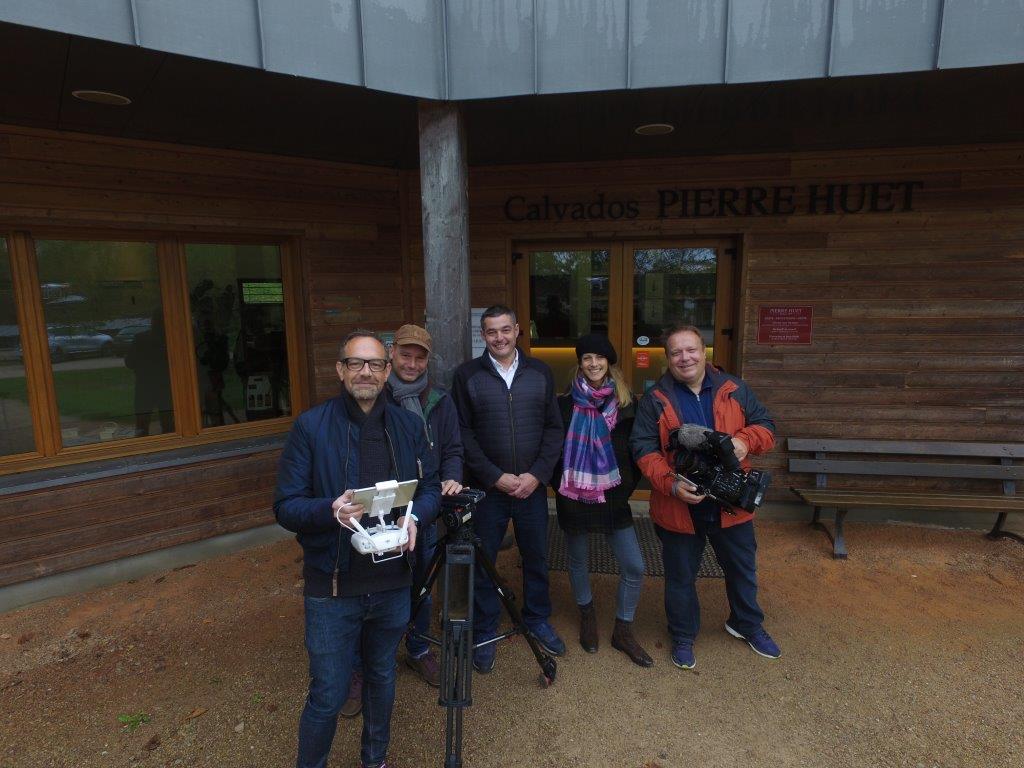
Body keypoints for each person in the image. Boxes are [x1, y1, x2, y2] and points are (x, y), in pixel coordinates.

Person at [274, 330, 441, 768]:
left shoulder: (407, 426)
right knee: (328, 693)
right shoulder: (311, 427)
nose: (365, 372)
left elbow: (428, 490)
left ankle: (375, 760)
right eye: (355, 363)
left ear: (387, 372)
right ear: (340, 370)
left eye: (374, 364)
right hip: (332, 584)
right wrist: (328, 511)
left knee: (383, 676)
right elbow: (285, 505)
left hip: (391, 581)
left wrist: (416, 518)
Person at [630, 324, 779, 671]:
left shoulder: (735, 388)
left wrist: (745, 440)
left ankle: (746, 624)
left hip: (732, 501)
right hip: (680, 502)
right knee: (681, 577)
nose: (685, 358)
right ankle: (683, 635)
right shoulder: (655, 399)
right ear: (667, 358)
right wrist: (670, 484)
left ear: (704, 351)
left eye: (691, 350)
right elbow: (642, 448)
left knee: (742, 570)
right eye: (677, 352)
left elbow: (766, 425)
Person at [340, 324, 464, 715]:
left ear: (428, 360)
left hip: (417, 514)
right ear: (391, 356)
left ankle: (418, 646)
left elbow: (453, 448)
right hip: (372, 519)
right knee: (365, 593)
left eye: (420, 357)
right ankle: (358, 670)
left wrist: (452, 474)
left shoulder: (440, 400)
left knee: (421, 584)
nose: (412, 364)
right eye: (405, 355)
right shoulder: (372, 392)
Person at [451, 304, 565, 671]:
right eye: (491, 332)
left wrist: (537, 475)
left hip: (531, 488)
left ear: (517, 330)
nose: (499, 337)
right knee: (485, 561)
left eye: (505, 330)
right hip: (489, 490)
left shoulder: (541, 372)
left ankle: (536, 619)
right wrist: (493, 476)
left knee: (536, 557)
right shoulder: (467, 375)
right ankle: (484, 629)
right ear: (482, 336)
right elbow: (462, 434)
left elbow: (553, 429)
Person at [553, 334, 652, 667]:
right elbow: (554, 452)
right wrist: (561, 485)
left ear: (609, 362)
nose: (593, 364)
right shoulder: (565, 405)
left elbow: (638, 452)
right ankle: (587, 615)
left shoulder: (627, 405)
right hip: (575, 496)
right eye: (586, 358)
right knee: (577, 559)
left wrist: (623, 489)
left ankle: (622, 630)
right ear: (579, 364)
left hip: (613, 497)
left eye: (599, 357)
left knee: (634, 566)